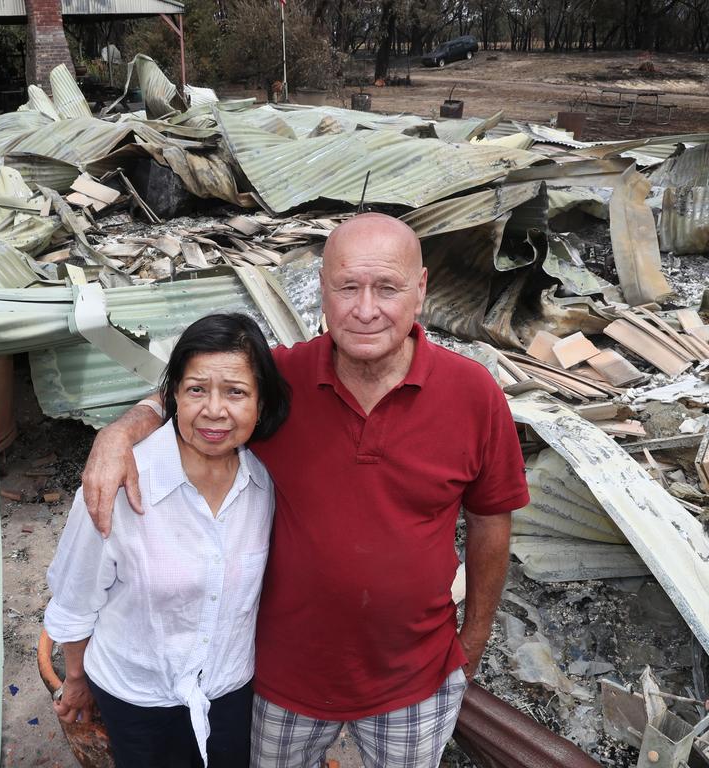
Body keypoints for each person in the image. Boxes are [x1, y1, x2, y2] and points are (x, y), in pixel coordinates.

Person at [80, 213, 530, 768]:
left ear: (420, 290)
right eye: (347, 288)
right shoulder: (280, 381)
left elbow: (491, 518)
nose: (366, 309)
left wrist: (475, 637)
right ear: (322, 291)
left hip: (416, 677)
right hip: (280, 680)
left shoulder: (473, 394)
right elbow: (199, 393)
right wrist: (121, 431)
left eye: (386, 288)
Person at [44, 313, 291, 767]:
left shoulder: (265, 486)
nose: (214, 410)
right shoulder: (115, 486)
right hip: (138, 695)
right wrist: (76, 679)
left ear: (261, 403)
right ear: (173, 394)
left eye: (236, 392)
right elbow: (75, 600)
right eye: (197, 389)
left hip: (228, 688)